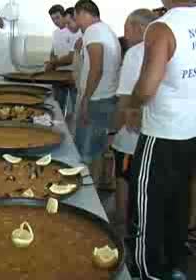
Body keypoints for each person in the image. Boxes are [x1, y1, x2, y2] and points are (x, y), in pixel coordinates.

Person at [127, 1, 196, 279]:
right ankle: (175, 266)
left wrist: (132, 104)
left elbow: (146, 87)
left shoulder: (162, 27)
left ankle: (150, 272)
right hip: (191, 132)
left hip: (162, 134)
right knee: (179, 201)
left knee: (148, 206)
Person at [111, 9, 156, 227]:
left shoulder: (136, 52)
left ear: (139, 27)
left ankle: (122, 222)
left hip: (133, 133)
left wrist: (114, 130)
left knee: (123, 175)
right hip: (159, 132)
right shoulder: (169, 47)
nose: (125, 34)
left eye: (127, 28)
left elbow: (126, 99)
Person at [73, 0, 121, 184]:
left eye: (76, 17)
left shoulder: (92, 31)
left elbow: (96, 68)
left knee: (85, 153)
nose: (76, 22)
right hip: (107, 97)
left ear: (82, 13)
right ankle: (95, 192)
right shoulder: (107, 30)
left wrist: (86, 98)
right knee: (97, 150)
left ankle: (84, 198)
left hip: (96, 99)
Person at [45, 5, 81, 116]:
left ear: (63, 15)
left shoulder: (75, 31)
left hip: (73, 75)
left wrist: (52, 63)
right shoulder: (55, 33)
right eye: (53, 19)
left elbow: (71, 58)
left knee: (76, 106)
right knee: (58, 108)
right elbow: (54, 53)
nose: (55, 21)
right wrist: (50, 66)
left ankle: (74, 130)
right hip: (59, 76)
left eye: (57, 17)